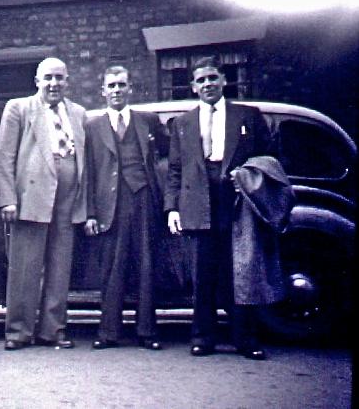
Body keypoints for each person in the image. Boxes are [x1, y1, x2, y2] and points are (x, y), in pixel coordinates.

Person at [165, 56, 274, 360]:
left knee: (240, 271)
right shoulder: (183, 123)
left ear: (223, 80)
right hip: (197, 201)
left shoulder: (248, 116)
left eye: (212, 78)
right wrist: (172, 208)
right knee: (202, 274)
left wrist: (249, 178)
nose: (207, 84)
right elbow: (175, 169)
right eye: (200, 80)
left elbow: (269, 159)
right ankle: (202, 337)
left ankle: (246, 339)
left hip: (237, 202)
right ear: (193, 87)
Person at [0, 57, 87, 350]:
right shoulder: (19, 109)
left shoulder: (79, 113)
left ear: (67, 81)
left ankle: (52, 330)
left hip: (68, 198)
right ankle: (18, 331)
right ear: (36, 81)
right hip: (30, 198)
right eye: (47, 78)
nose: (53, 84)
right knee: (25, 266)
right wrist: (7, 198)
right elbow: (3, 156)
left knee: (60, 265)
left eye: (59, 78)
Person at [84, 66, 166, 350]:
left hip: (143, 200)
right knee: (111, 268)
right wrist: (91, 213)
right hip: (110, 205)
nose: (117, 90)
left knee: (146, 265)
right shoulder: (92, 126)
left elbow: (168, 157)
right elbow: (88, 173)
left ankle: (147, 332)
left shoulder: (148, 121)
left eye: (122, 85)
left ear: (130, 88)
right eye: (112, 86)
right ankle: (108, 332)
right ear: (103, 91)